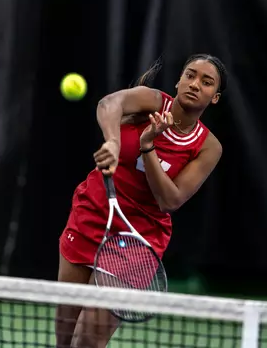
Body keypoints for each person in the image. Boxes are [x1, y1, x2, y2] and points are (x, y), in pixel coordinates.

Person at [56, 53, 228, 348]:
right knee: (65, 330)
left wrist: (148, 147)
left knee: (88, 338)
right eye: (190, 75)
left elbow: (170, 200)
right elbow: (109, 103)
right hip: (93, 211)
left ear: (215, 97)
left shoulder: (208, 147)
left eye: (206, 82)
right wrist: (113, 140)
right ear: (178, 80)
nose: (195, 84)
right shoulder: (151, 101)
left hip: (138, 237)